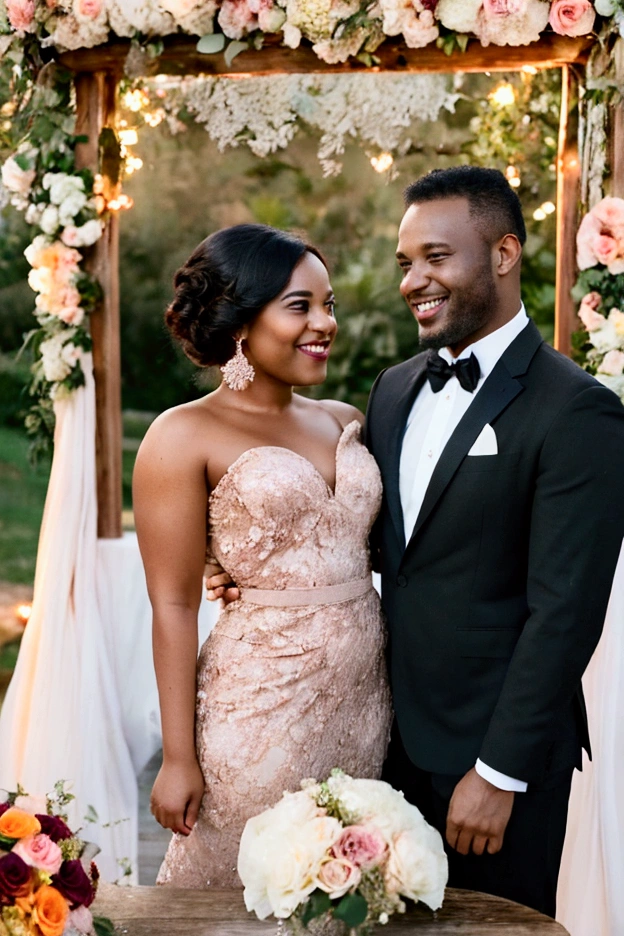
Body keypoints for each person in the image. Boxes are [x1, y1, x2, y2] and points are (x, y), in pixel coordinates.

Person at [365, 166, 624, 917]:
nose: (414, 280)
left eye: (436, 258)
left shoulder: (577, 412)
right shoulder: (393, 388)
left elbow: (566, 611)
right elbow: (393, 552)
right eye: (405, 263)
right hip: (388, 751)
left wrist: (499, 772)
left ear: (504, 254)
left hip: (493, 764)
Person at [132, 223, 392, 888]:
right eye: (300, 306)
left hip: (366, 709)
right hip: (259, 712)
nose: (325, 323)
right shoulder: (182, 435)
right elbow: (172, 602)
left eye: (328, 304)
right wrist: (178, 757)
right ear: (241, 321)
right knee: (247, 896)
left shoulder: (341, 419)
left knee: (343, 890)